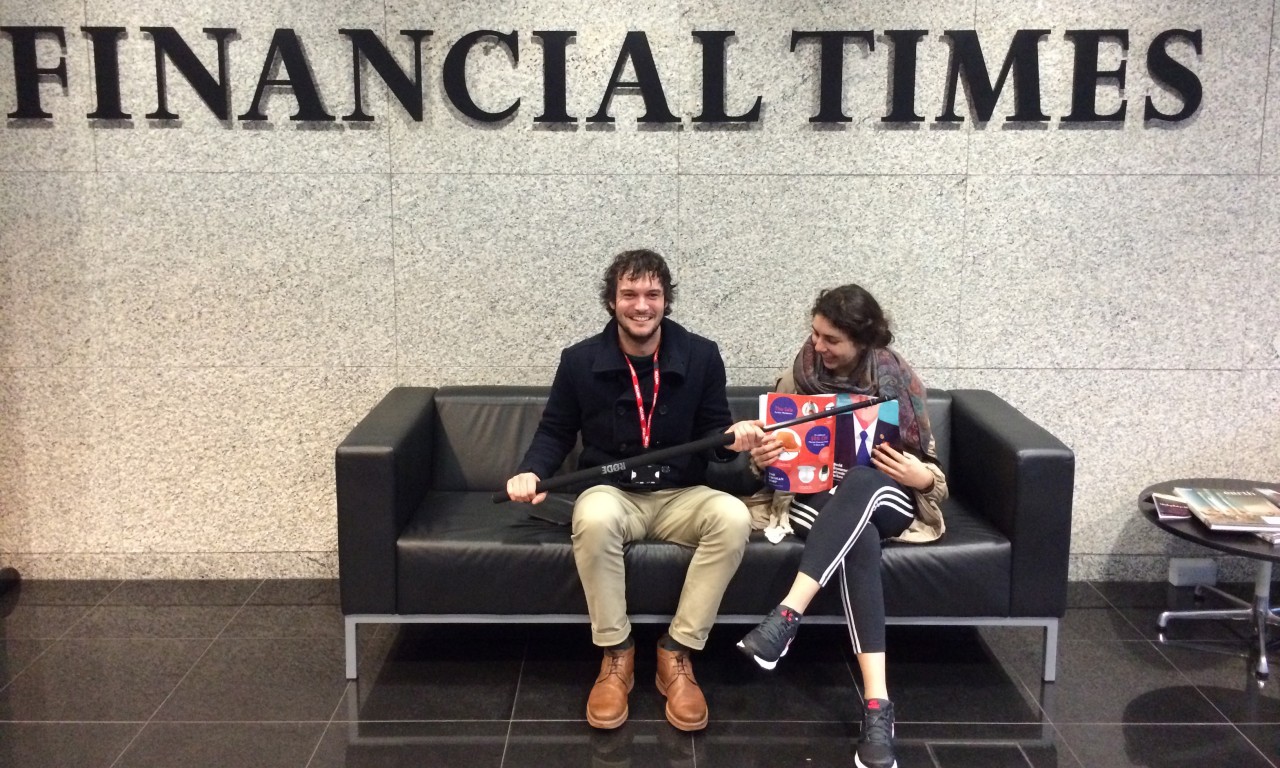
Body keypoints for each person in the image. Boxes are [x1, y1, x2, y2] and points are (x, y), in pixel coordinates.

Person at [506, 249, 763, 733]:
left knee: (733, 517)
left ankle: (677, 652)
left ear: (666, 300)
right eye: (629, 294)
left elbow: (716, 436)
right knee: (593, 517)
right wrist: (531, 472)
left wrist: (734, 440)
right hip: (612, 492)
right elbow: (555, 431)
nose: (641, 305)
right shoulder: (579, 360)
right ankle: (616, 654)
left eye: (652, 294)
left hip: (681, 493)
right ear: (612, 301)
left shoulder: (702, 355)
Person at [735, 284, 947, 768]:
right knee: (859, 539)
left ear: (863, 340)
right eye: (815, 334)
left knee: (863, 481)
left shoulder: (898, 379)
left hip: (888, 498)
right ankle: (878, 706)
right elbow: (768, 465)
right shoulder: (797, 376)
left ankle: (787, 616)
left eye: (831, 339)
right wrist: (763, 458)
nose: (818, 346)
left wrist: (919, 475)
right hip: (814, 501)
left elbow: (932, 475)